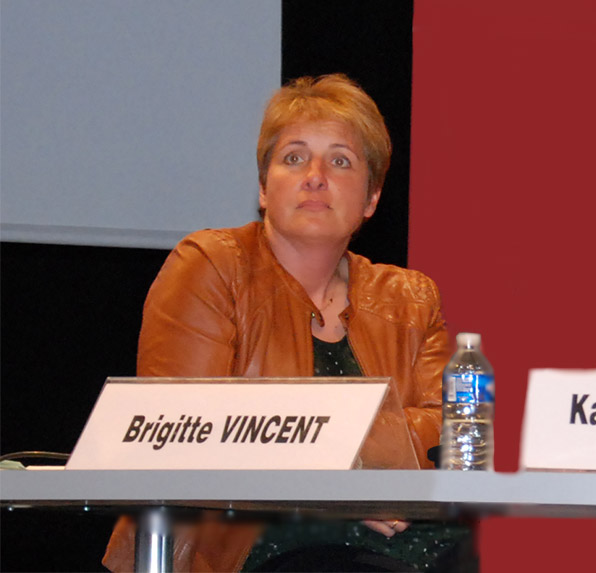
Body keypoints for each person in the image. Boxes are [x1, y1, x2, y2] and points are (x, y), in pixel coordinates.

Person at [103, 75, 467, 572]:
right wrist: (347, 486)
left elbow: (453, 437)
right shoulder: (211, 265)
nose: (315, 176)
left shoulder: (409, 297)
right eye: (294, 157)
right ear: (262, 187)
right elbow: (180, 429)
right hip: (254, 549)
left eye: (341, 161)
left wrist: (325, 450)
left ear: (371, 198)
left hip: (410, 548)